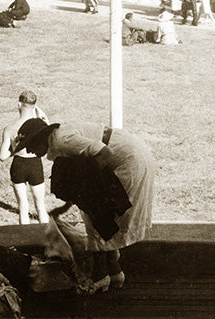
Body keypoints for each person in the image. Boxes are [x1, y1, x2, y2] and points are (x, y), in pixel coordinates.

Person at [13, 119, 154, 294]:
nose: (29, 150)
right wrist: (69, 205)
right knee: (98, 214)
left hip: (128, 160)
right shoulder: (59, 139)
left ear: (42, 138)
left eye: (30, 144)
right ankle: (115, 271)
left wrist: (95, 192)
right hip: (131, 153)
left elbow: (104, 153)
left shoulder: (63, 141)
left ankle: (101, 276)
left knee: (98, 216)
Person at [0, 90, 50, 225]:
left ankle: (24, 243)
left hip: (18, 166)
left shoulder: (9, 128)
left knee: (23, 206)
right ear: (35, 106)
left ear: (18, 104)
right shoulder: (40, 126)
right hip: (35, 165)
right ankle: (46, 240)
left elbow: (2, 156)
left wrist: (15, 149)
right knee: (40, 206)